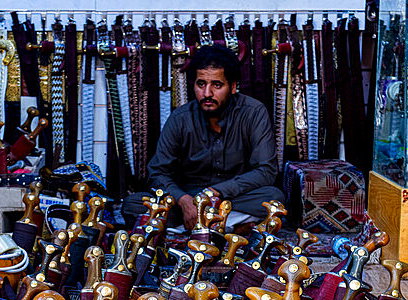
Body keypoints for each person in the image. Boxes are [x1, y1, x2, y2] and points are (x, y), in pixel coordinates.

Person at [121, 45, 286, 232]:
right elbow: (157, 173)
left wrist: (216, 192)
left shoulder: (253, 113)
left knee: (274, 198)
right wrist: (184, 201)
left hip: (233, 198)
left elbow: (266, 171)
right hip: (189, 197)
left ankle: (199, 226)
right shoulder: (180, 118)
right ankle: (228, 226)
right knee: (132, 204)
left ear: (232, 87)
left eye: (216, 85)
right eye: (201, 84)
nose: (207, 93)